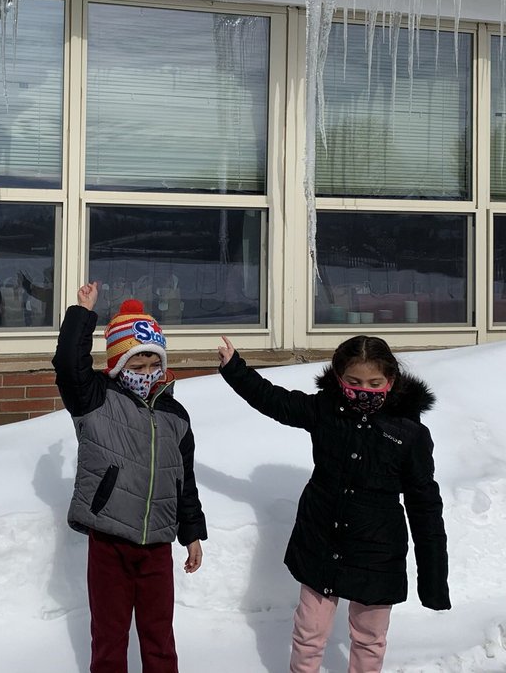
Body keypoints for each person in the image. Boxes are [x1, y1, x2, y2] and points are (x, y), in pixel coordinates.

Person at [215, 334, 449, 673]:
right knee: (309, 632)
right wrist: (235, 369)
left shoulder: (408, 433)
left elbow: (425, 505)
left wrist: (433, 580)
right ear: (339, 378)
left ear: (391, 381)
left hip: (377, 552)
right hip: (321, 541)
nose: (363, 390)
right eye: (354, 382)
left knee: (370, 638)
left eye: (374, 383)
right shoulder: (325, 409)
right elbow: (275, 401)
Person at [54, 282, 207, 673]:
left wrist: (191, 532)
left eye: (153, 364)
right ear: (118, 367)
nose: (146, 373)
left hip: (157, 546)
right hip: (109, 544)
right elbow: (69, 366)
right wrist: (82, 314)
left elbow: (183, 481)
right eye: (136, 366)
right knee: (109, 637)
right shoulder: (96, 401)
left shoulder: (176, 416)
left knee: (159, 639)